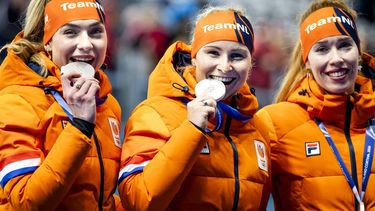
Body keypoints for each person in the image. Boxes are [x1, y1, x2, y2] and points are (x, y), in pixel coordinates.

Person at [118, 6, 271, 210]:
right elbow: (138, 201)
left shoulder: (256, 127)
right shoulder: (154, 113)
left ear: (251, 62)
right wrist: (191, 130)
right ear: (194, 56)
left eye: (237, 56)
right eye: (213, 53)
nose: (225, 66)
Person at [0, 0, 124, 210]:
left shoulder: (107, 102)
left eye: (95, 32)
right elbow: (26, 202)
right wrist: (80, 126)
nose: (86, 44)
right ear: (47, 41)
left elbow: (98, 198)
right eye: (70, 32)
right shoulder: (16, 101)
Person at [255, 0, 375, 210]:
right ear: (307, 61)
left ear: (359, 52)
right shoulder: (275, 123)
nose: (336, 58)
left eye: (345, 45)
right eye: (322, 49)